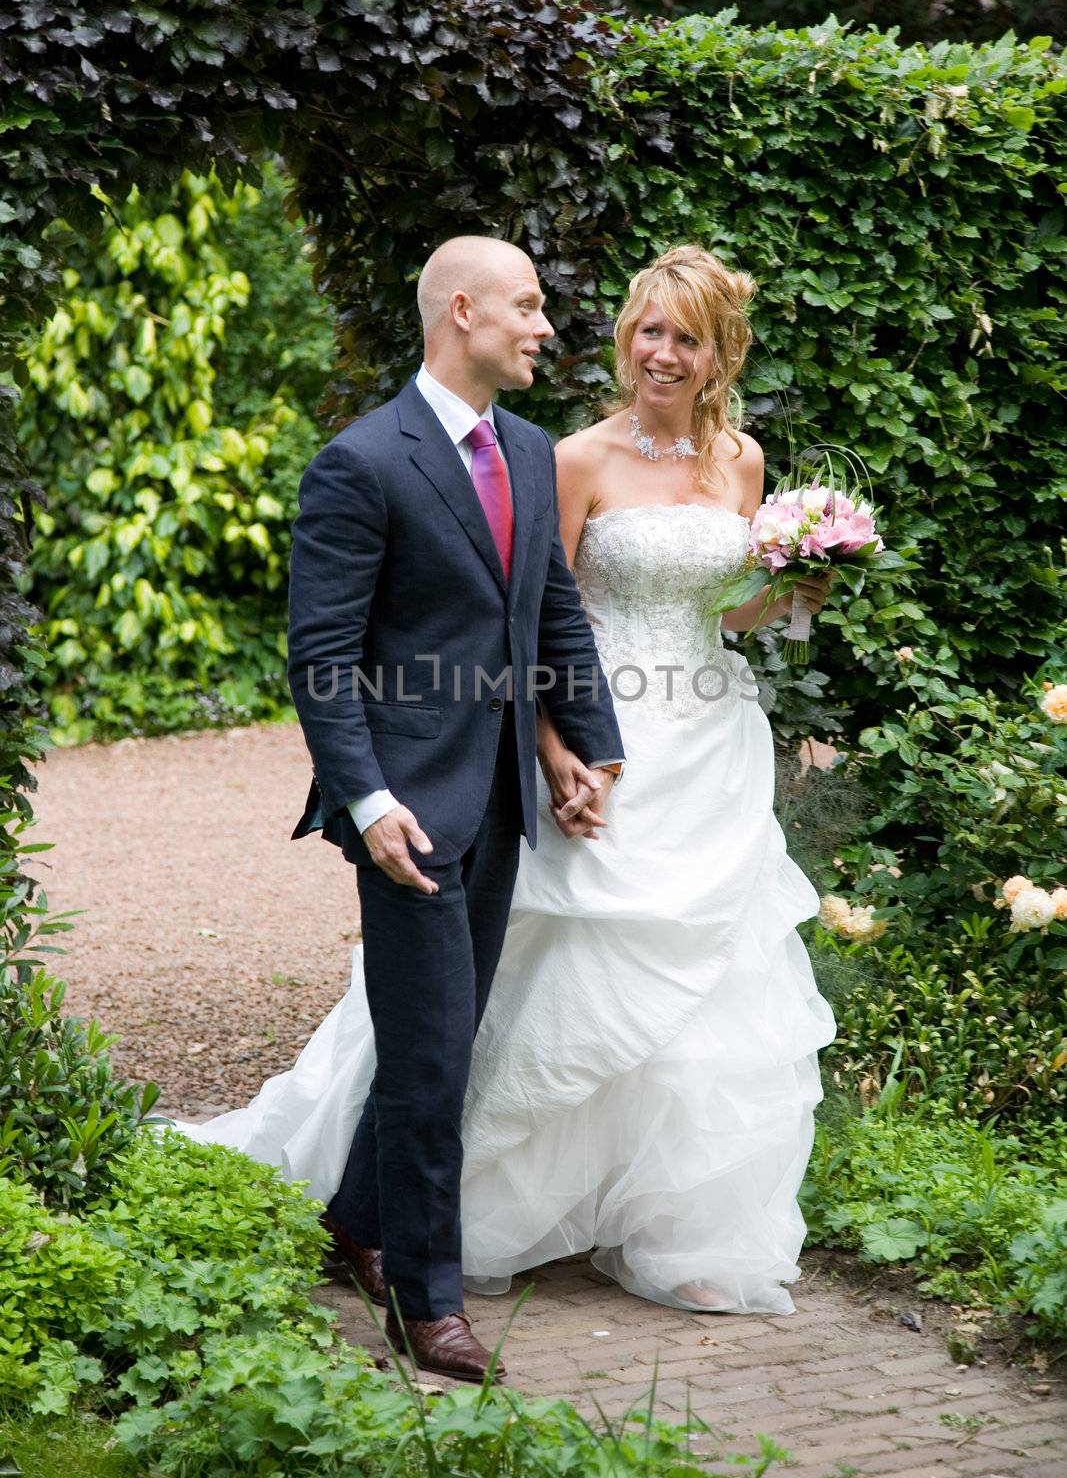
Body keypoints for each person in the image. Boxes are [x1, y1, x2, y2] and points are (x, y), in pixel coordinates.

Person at [184, 243, 835, 1328]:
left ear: (723, 352)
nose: (657, 352)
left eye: (686, 336)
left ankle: (643, 1214)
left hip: (692, 738)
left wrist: (794, 586)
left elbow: (691, 613)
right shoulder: (550, 454)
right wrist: (548, 750)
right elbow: (520, 618)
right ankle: (417, 1241)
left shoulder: (729, 462)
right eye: (646, 328)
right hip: (521, 759)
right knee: (487, 1004)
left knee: (688, 993)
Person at [238, 234, 625, 1384]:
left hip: (502, 797)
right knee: (428, 1061)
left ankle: (354, 1215)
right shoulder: (360, 463)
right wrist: (364, 801)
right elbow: (322, 658)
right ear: (462, 311)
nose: (544, 325)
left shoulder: (528, 446)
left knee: (443, 1037)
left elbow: (550, 614)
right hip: (405, 816)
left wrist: (587, 750)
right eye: (526, 306)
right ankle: (427, 1298)